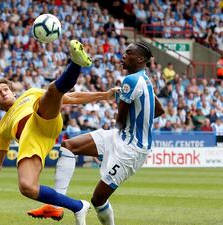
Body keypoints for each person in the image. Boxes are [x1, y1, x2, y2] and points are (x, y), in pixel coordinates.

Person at [0, 40, 119, 225]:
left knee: (53, 90)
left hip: (43, 120)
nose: (4, 93)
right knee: (27, 187)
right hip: (32, 144)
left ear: (12, 92)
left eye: (6, 89)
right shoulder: (3, 127)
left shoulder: (30, 94)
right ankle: (78, 206)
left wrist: (105, 95)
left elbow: (71, 97)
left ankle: (76, 62)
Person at [28, 42, 165, 225]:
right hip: (121, 137)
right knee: (69, 146)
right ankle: (56, 205)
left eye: (128, 53)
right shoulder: (145, 80)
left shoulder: (130, 81)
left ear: (140, 59)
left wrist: (112, 145)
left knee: (98, 199)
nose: (123, 55)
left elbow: (121, 120)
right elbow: (160, 110)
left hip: (131, 149)